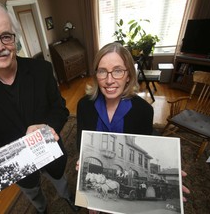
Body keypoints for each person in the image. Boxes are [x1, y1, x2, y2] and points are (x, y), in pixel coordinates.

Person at [0, 0, 79, 213]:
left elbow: (60, 108)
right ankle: (42, 209)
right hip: (18, 169)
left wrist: (46, 126)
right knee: (34, 194)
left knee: (61, 182)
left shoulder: (42, 70)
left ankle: (68, 198)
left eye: (5, 36)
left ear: (14, 38)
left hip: (51, 152)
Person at [75, 42, 190, 213]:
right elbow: (80, 140)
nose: (109, 80)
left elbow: (144, 138)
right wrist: (82, 157)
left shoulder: (143, 110)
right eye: (102, 71)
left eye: (118, 71)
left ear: (129, 75)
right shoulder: (84, 105)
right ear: (96, 75)